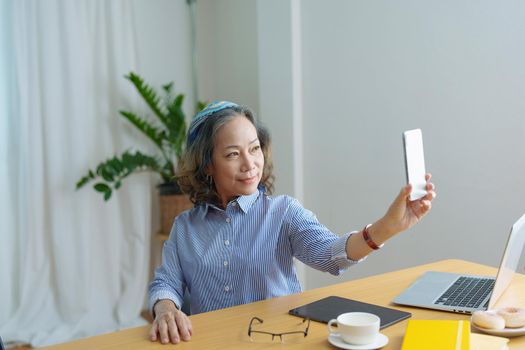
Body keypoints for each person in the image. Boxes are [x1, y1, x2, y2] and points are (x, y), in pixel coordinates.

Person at [148, 101, 436, 344]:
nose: (250, 164)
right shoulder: (184, 227)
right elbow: (166, 282)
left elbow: (330, 255)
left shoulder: (283, 212)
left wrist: (388, 226)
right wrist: (164, 308)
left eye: (254, 148)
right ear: (207, 164)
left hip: (277, 341)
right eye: (233, 154)